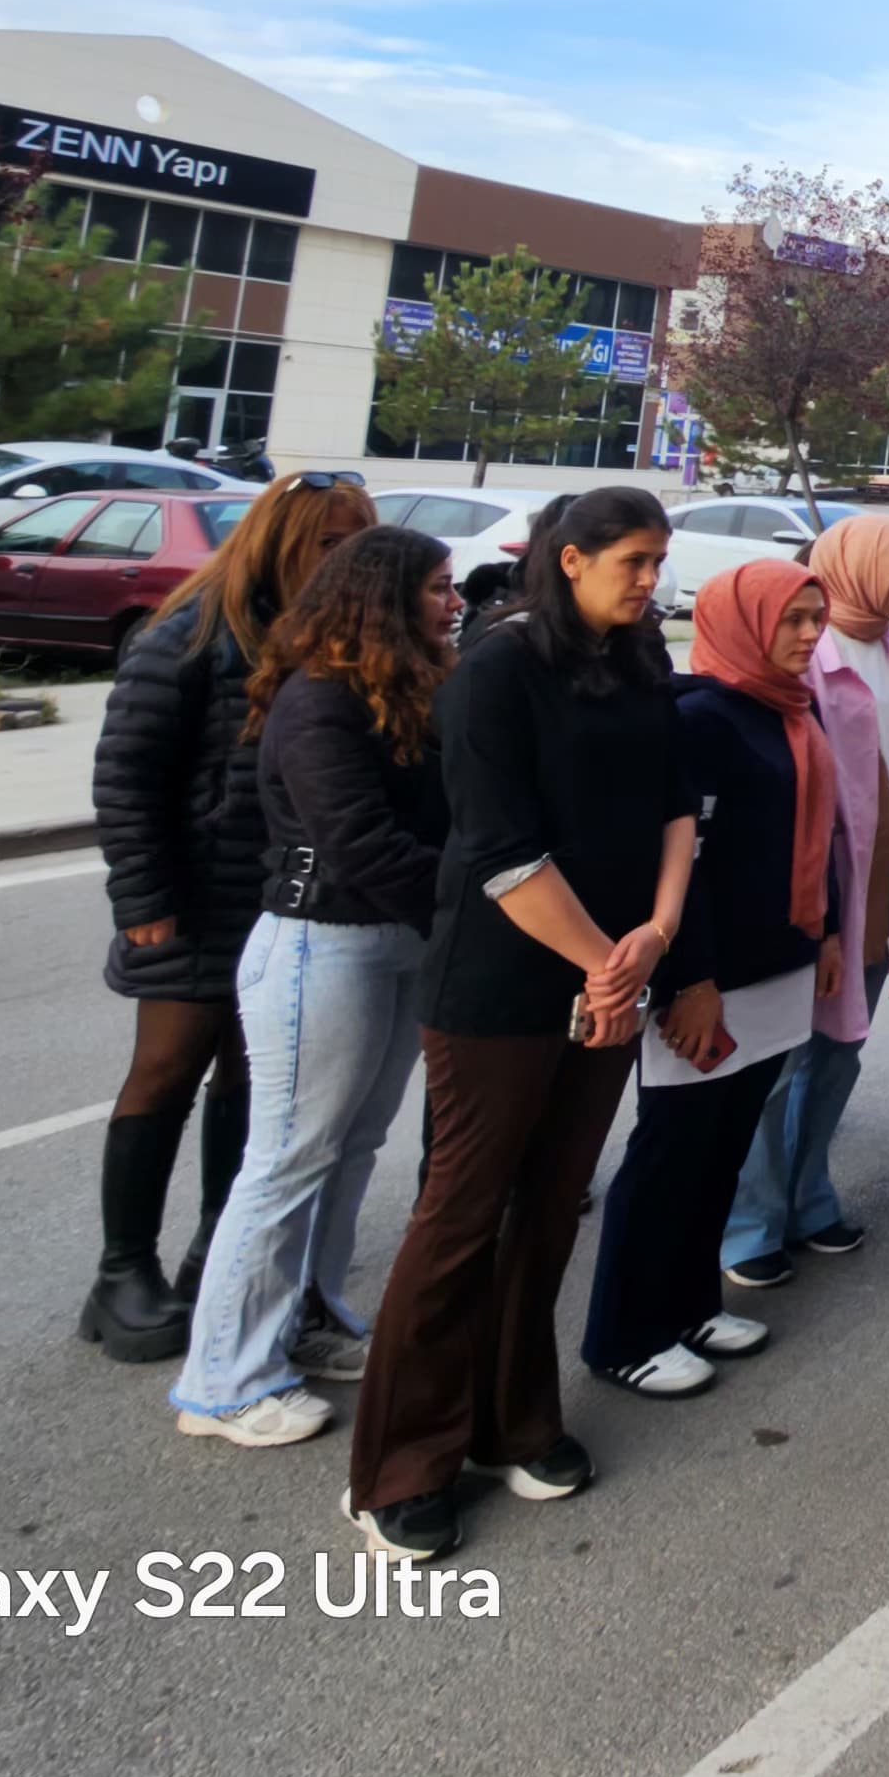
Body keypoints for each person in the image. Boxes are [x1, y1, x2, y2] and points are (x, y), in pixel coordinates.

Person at [346, 487, 696, 1560]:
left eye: (659, 561)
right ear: (571, 559)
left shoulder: (641, 662)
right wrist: (607, 964)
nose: (651, 581)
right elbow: (499, 851)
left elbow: (678, 807)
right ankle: (403, 1463)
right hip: (503, 984)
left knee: (549, 1208)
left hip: (613, 977)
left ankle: (515, 1423)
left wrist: (656, 933)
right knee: (462, 1217)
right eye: (634, 562)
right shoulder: (495, 672)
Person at [167, 522, 456, 1449]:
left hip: (397, 943)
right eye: (437, 588)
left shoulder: (406, 689)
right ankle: (222, 1382)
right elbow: (358, 844)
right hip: (321, 947)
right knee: (289, 1159)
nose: (454, 603)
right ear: (384, 600)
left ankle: (308, 1316)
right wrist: (475, 896)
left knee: (353, 1146)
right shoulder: (319, 700)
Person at [83, 471, 374, 1363]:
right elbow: (126, 779)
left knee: (256, 1080)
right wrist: (144, 901)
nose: (345, 559)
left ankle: (218, 1251)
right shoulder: (190, 635)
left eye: (357, 542)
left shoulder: (329, 637)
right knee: (166, 1069)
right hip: (195, 898)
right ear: (282, 540)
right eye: (330, 542)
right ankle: (121, 1274)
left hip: (282, 899)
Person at [582, 558, 830, 1399]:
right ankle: (624, 1335)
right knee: (670, 1152)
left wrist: (828, 932)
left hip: (775, 965)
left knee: (722, 1148)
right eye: (790, 619)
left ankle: (689, 1307)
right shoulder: (699, 718)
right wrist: (691, 980)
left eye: (815, 618)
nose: (808, 635)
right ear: (744, 622)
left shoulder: (790, 705)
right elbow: (679, 863)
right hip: (710, 981)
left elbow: (818, 835)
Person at [727, 515, 889, 1283]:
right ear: (859, 567)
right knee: (779, 1062)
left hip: (879, 882)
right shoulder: (809, 654)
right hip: (813, 885)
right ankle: (751, 1223)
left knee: (840, 1051)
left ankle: (809, 1195)